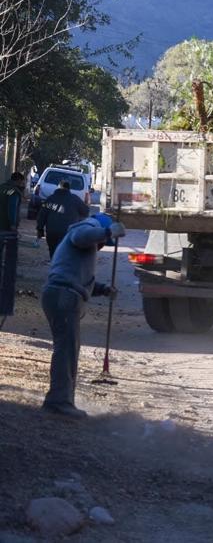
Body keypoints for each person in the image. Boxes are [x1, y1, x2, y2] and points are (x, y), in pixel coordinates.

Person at [40, 211, 125, 419]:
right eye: (103, 242)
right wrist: (107, 231)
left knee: (68, 349)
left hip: (63, 295)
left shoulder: (83, 247)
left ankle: (61, 399)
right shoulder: (82, 229)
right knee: (66, 351)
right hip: (63, 296)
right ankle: (58, 402)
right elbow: (82, 237)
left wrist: (103, 289)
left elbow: (79, 278)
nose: (101, 246)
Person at [36, 180, 89, 258]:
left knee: (53, 253)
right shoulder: (75, 199)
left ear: (58, 188)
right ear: (69, 189)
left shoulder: (51, 199)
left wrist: (40, 229)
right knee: (65, 254)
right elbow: (86, 212)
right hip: (68, 232)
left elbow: (42, 215)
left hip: (51, 232)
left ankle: (54, 267)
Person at [0, 172, 25, 316]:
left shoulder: (2, 187)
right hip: (4, 229)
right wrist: (13, 225)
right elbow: (12, 209)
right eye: (23, 182)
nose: (23, 184)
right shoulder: (14, 192)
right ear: (19, 180)